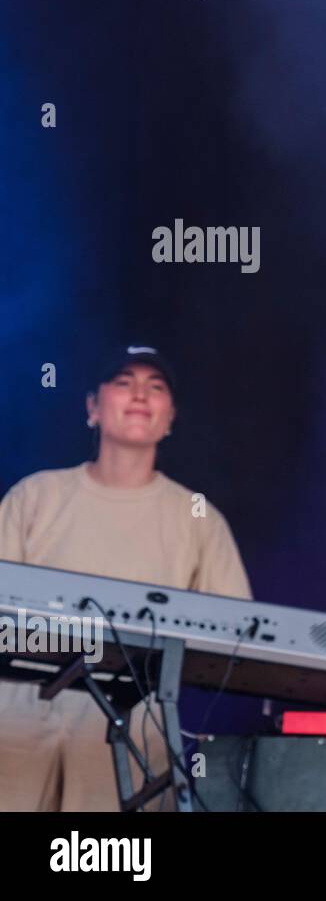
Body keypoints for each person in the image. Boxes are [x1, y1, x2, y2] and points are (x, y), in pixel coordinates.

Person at [0, 344, 253, 811]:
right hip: (15, 731)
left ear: (170, 417)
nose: (140, 394)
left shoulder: (197, 517)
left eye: (155, 387)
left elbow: (238, 640)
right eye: (124, 382)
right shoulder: (36, 495)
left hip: (132, 742)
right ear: (92, 407)